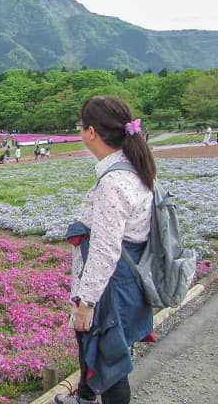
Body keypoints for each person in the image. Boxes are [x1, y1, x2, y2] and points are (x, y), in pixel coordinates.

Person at [57, 96, 156, 404]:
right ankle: (84, 398)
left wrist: (86, 304)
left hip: (110, 287)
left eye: (81, 126)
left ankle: (90, 398)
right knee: (97, 350)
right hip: (124, 281)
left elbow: (104, 250)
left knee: (112, 367)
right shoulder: (134, 166)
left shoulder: (114, 182)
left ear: (91, 133)